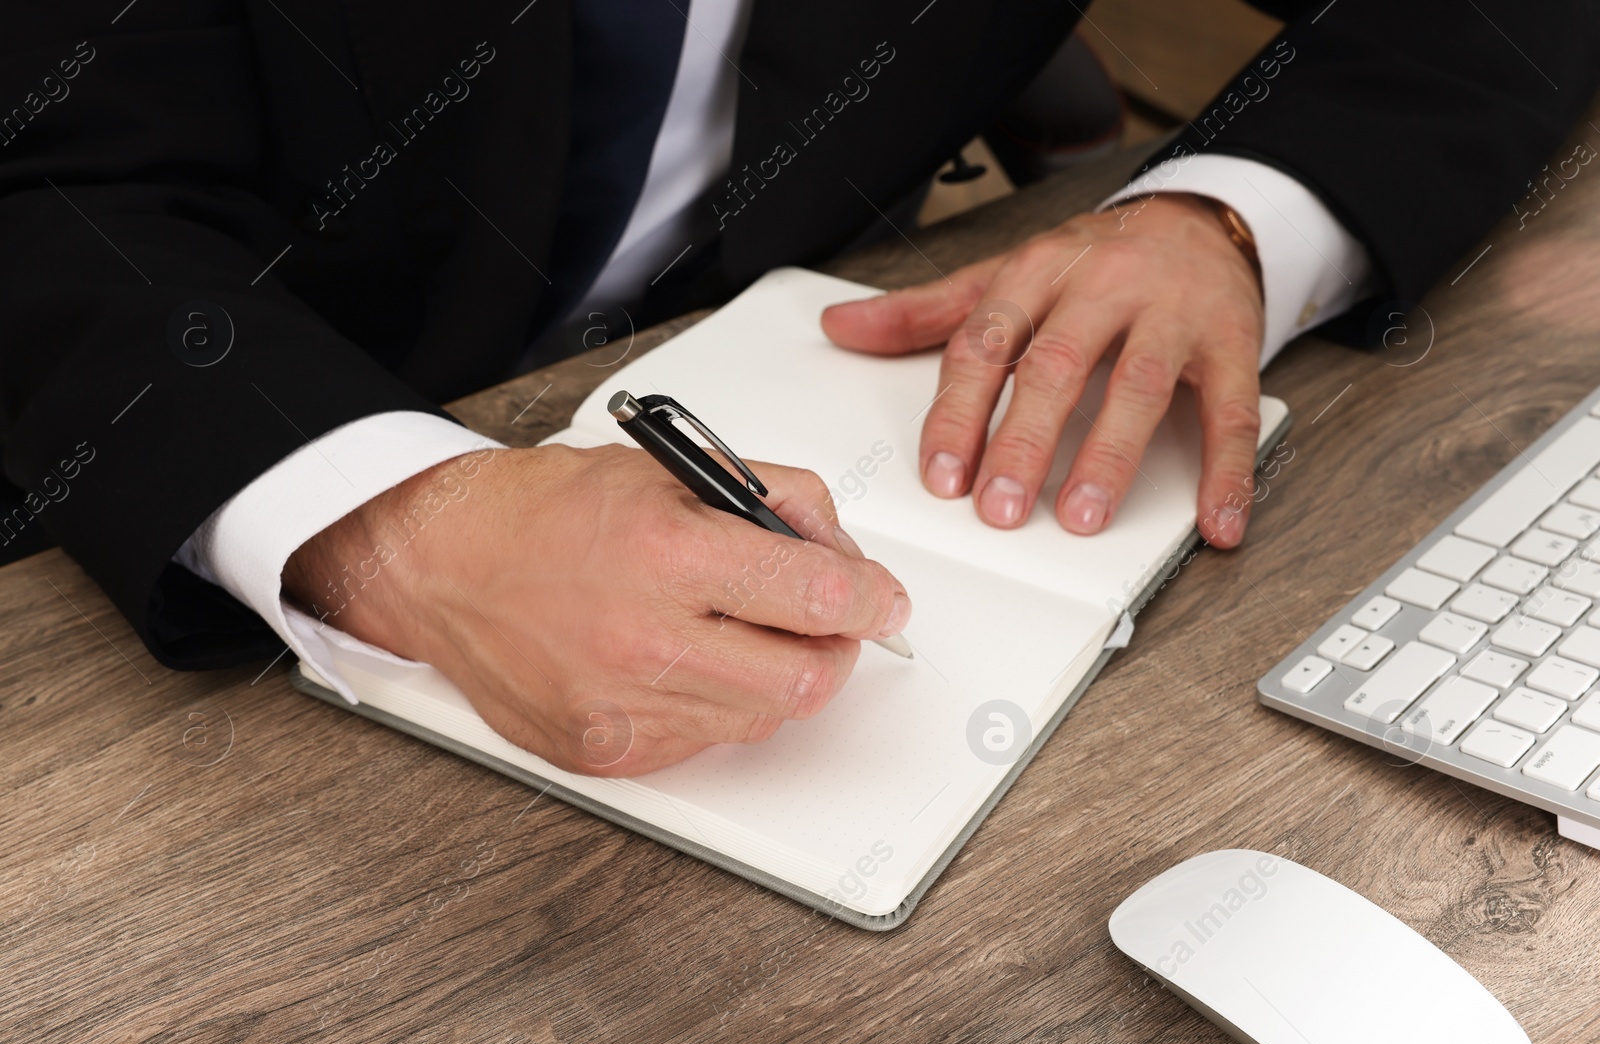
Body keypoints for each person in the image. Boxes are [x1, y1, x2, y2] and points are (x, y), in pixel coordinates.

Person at [2, 2, 1595, 776]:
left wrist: (1233, 213)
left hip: (750, 363)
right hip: (131, 514)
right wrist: (389, 522)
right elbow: (49, 200)